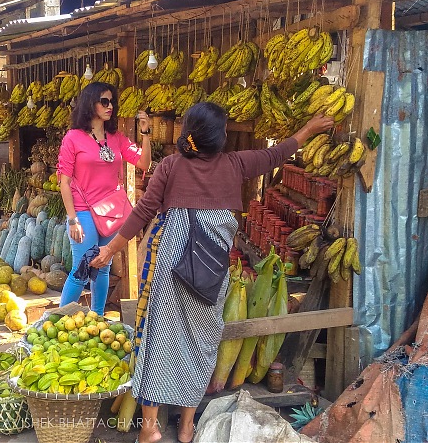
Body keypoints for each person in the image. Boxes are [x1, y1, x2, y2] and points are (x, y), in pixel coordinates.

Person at [90, 102, 334, 443]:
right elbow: (276, 154)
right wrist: (309, 129)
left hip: (171, 265)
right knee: (202, 344)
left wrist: (109, 250)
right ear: (216, 137)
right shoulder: (235, 164)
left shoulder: (171, 166)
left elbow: (142, 211)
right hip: (211, 271)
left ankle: (150, 428)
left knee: (157, 339)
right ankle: (188, 427)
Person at [56, 81, 152, 316]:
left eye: (112, 102)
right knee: (82, 268)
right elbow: (64, 182)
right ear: (91, 104)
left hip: (110, 211)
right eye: (104, 101)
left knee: (104, 266)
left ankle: (97, 318)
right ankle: (57, 321)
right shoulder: (73, 138)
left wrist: (146, 134)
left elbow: (143, 163)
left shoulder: (116, 137)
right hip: (83, 211)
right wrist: (72, 219)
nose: (110, 106)